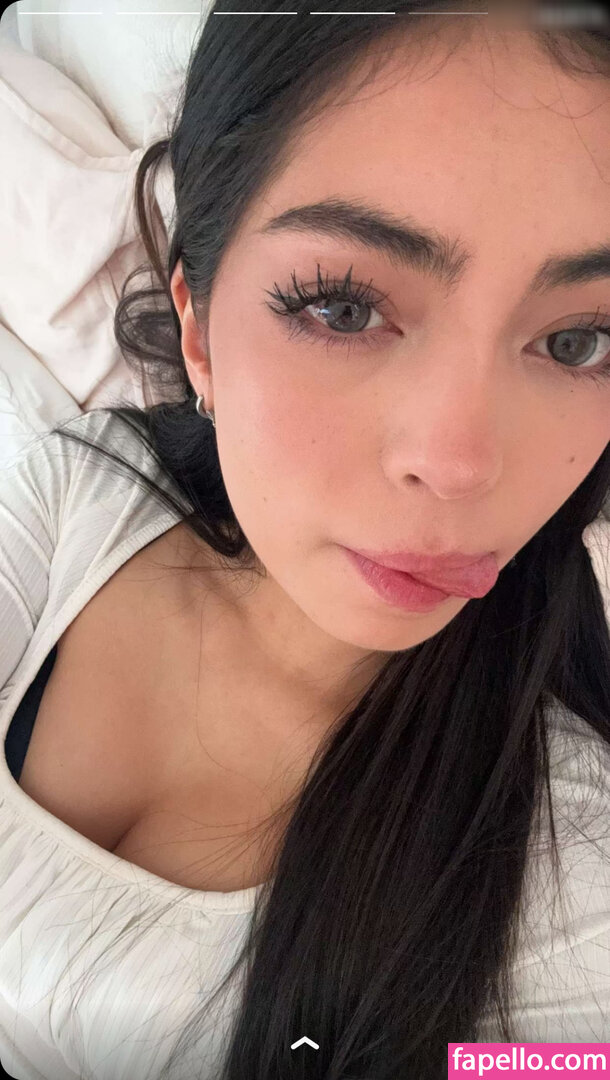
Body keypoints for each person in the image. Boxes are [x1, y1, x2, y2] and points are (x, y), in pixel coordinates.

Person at [0, 1, 609, 1077]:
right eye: (342, 308)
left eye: (577, 341)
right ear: (196, 328)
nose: (460, 466)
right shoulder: (72, 491)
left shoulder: (577, 879)